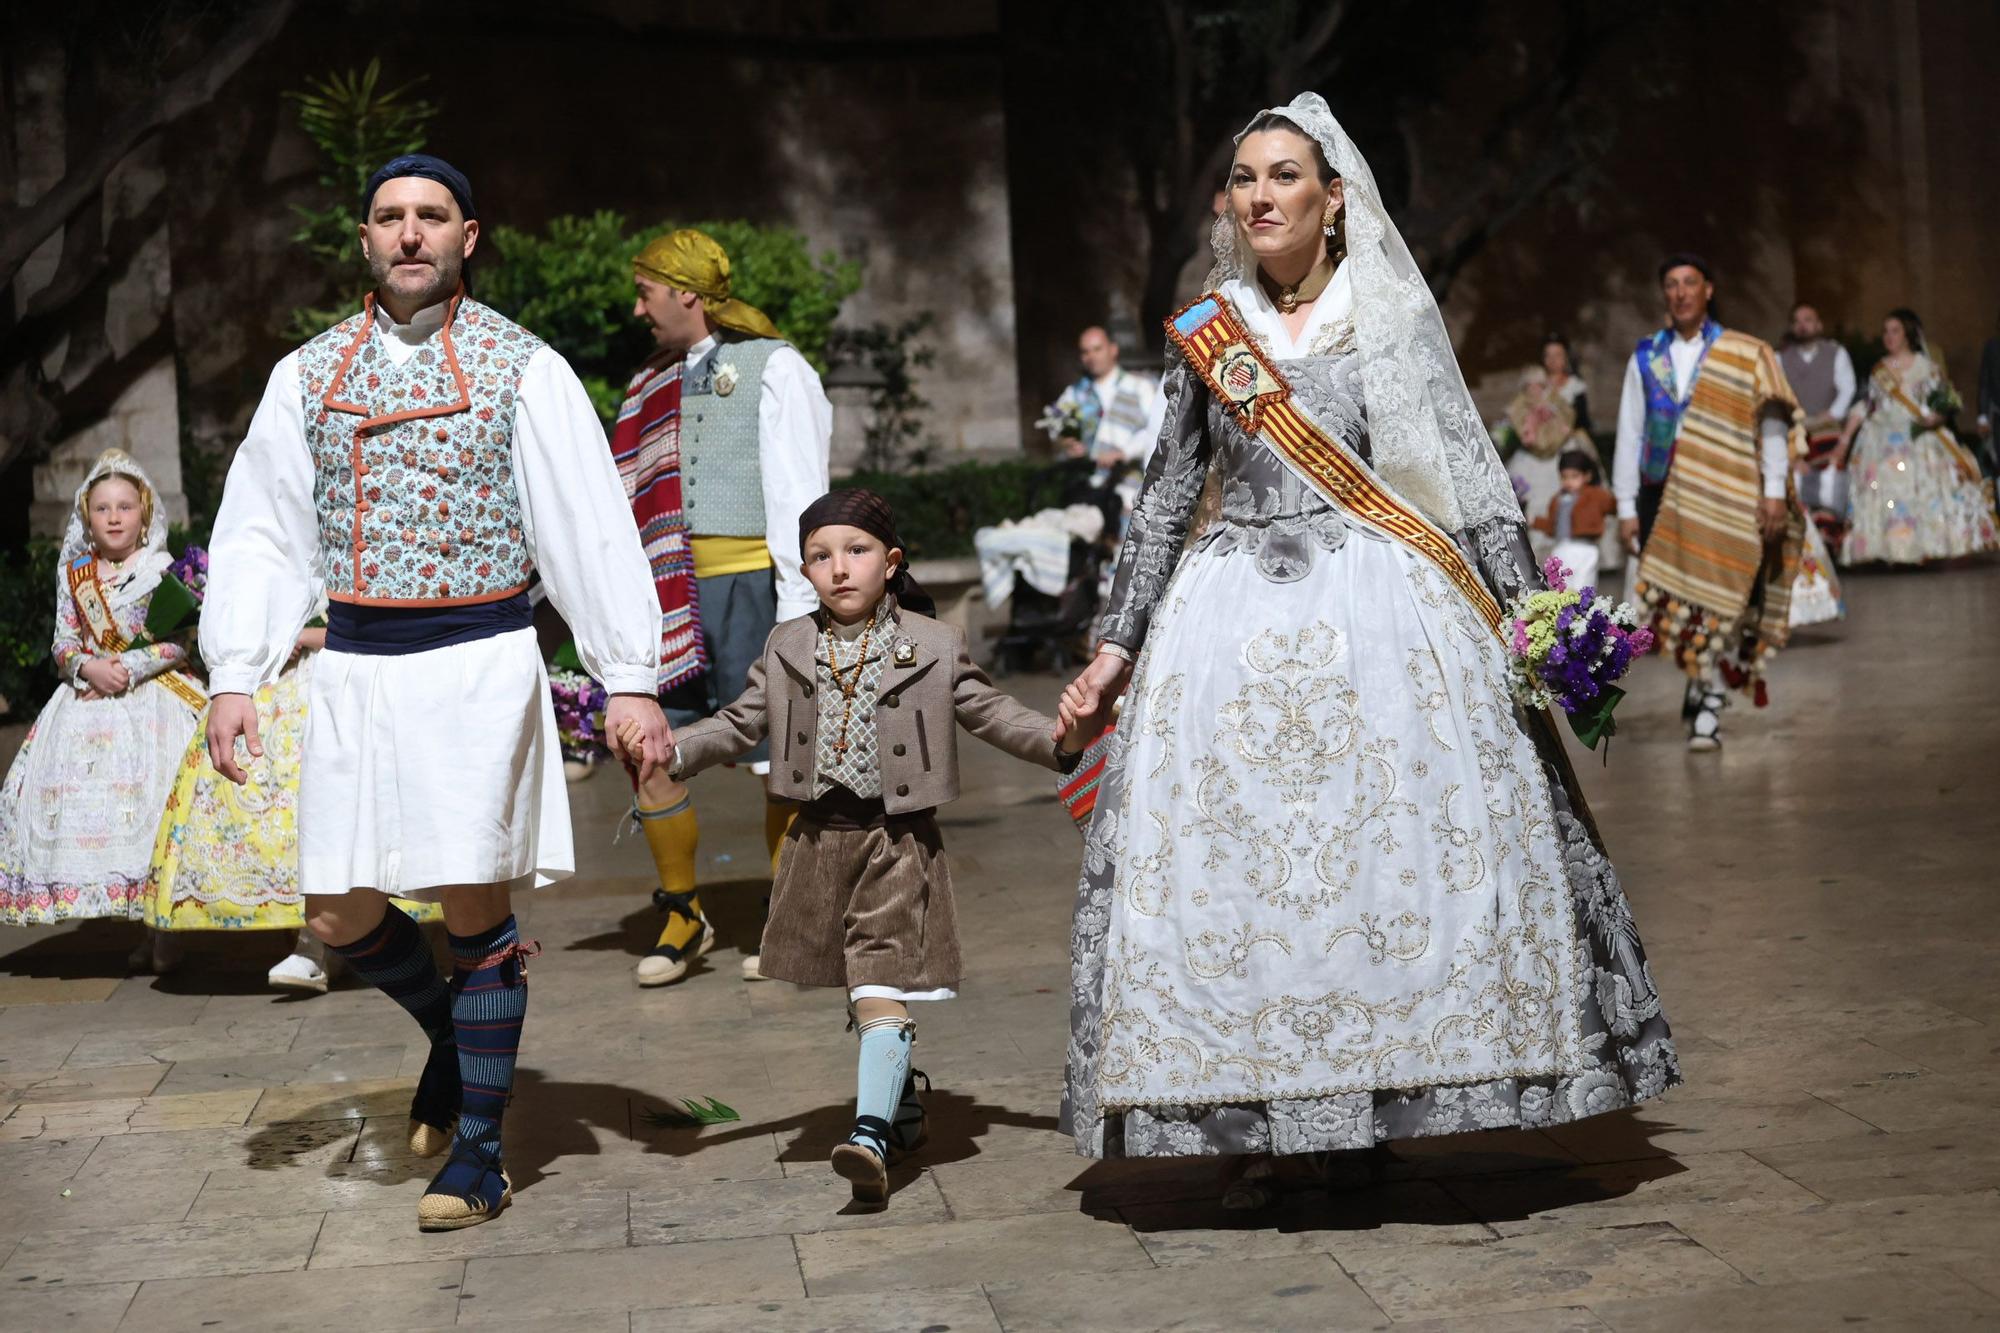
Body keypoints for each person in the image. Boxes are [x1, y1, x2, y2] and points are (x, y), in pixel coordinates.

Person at [1053, 94, 1677, 1208]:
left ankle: (1376, 1099)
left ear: (1332, 199)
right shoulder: (1209, 328)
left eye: (1284, 176)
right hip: (1228, 628)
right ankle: (1260, 1113)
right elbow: (1160, 501)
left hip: (1382, 618)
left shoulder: (1384, 315)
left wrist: (1532, 617)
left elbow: (1472, 481)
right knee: (1241, 881)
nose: (1260, 197)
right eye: (1244, 178)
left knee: (1383, 865)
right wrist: (1112, 648)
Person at [201, 154, 668, 1230]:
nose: (410, 233)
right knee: (335, 908)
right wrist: (236, 670)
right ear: (362, 240)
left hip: (476, 666)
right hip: (357, 668)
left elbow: (585, 524)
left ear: (469, 235)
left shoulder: (520, 366)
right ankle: (456, 1040)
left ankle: (480, 1154)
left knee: (470, 908)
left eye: (432, 216)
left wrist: (627, 676)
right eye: (389, 217)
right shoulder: (308, 373)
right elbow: (266, 530)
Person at [653, 488, 1084, 1206]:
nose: (839, 569)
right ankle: (905, 1102)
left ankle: (871, 1136)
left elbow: (993, 711)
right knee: (858, 983)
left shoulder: (934, 644)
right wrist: (675, 749)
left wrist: (1064, 740)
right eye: (820, 557)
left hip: (895, 840)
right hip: (819, 844)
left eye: (855, 551)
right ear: (806, 570)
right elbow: (739, 719)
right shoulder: (788, 643)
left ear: (891, 562)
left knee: (879, 981)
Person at [622, 228, 832, 987]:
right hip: (669, 598)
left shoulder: (774, 368)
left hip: (753, 590)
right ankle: (683, 912)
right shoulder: (648, 384)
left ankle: (792, 917)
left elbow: (802, 492)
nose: (638, 308)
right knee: (649, 747)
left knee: (780, 759)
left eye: (646, 291)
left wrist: (800, 609)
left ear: (686, 292)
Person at [148, 600, 442, 994]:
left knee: (342, 813)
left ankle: (323, 945)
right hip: (279, 681)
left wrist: (303, 636)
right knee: (271, 811)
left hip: (349, 671)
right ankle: (317, 941)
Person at [0, 450, 206, 962]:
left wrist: (129, 669)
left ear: (144, 514)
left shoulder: (162, 570)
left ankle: (168, 932)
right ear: (87, 518)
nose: (114, 517)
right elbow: (62, 641)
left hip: (154, 697)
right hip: (86, 699)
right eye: (102, 508)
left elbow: (181, 641)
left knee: (160, 803)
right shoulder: (74, 574)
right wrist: (88, 668)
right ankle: (142, 925)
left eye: (125, 507)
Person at [1614, 254, 1804, 751]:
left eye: (1690, 283)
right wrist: (1626, 505)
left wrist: (1773, 491)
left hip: (1726, 492)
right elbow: (1630, 431)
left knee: (1718, 600)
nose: (1680, 292)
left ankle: (1708, 705)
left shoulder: (1740, 354)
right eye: (1671, 284)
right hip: (1663, 491)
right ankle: (1700, 683)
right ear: (1664, 294)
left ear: (1709, 289)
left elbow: (1772, 424)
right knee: (1677, 601)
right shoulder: (1646, 355)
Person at [1832, 308, 1999, 567]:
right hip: (1881, 438)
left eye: (1895, 330)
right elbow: (1865, 406)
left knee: (1923, 489)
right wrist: (1844, 440)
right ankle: (1889, 550)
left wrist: (1938, 417)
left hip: (1918, 437)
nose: (1889, 336)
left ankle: (1924, 547)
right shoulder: (1879, 370)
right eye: (1886, 331)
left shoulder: (1926, 367)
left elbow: (1945, 402)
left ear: (1908, 334)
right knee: (1884, 490)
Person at [1779, 303, 1858, 555]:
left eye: (1808, 319)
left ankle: (1830, 541)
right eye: (1798, 320)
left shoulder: (1835, 353)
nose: (1803, 325)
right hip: (1796, 431)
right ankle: (1805, 548)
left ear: (1818, 324)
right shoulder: (1781, 358)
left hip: (1827, 430)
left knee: (1830, 483)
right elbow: (1778, 393)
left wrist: (1833, 413)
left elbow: (1848, 388)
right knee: (1798, 484)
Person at [1045, 326, 1170, 470]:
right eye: (1085, 352)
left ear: (1113, 349)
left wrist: (1124, 453)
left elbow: (1156, 429)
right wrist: (1066, 442)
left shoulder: (1139, 387)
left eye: (1097, 349)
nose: (1091, 356)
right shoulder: (1074, 393)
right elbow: (1055, 427)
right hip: (1086, 480)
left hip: (1130, 480)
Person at [1503, 335, 1598, 522]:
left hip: (1564, 446)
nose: (1553, 360)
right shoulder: (1533, 382)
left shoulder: (1574, 386)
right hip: (1534, 451)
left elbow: (1582, 420)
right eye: (1548, 355)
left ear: (1566, 358)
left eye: (1558, 355)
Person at [1530, 450, 1616, 590]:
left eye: (1574, 476)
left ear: (1587, 476)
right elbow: (1552, 526)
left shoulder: (1596, 495)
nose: (1569, 481)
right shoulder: (1557, 500)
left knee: (1583, 587)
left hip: (1585, 547)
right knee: (1561, 589)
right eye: (1564, 477)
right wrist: (1535, 521)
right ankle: (1565, 611)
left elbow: (1613, 505)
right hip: (1561, 548)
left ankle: (1582, 610)